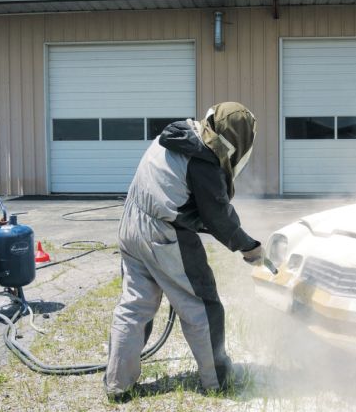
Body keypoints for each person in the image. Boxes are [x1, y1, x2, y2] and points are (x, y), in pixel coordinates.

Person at [105, 102, 265, 400]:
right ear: (239, 137)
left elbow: (184, 199)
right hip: (164, 234)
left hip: (130, 224)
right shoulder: (203, 158)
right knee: (202, 306)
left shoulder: (176, 134)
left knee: (135, 305)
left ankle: (117, 384)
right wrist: (250, 247)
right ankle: (217, 381)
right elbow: (218, 217)